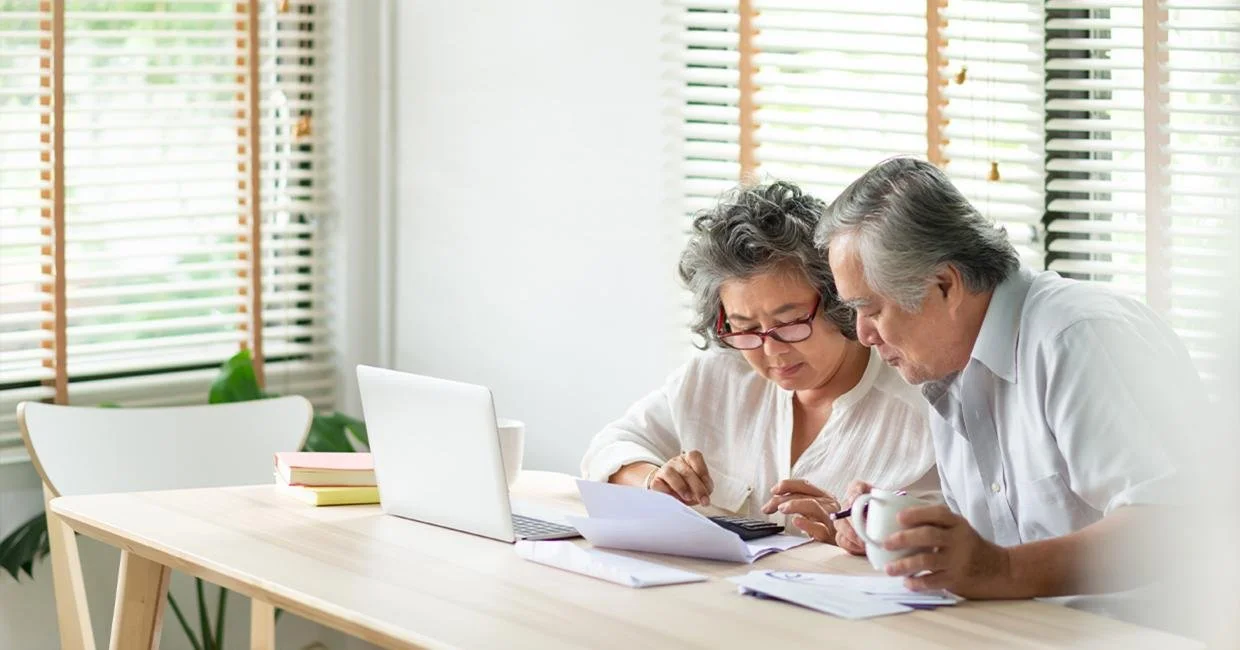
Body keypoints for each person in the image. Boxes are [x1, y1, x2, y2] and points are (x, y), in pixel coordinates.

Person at [817, 157, 1203, 600]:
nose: (863, 335)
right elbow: (1013, 532)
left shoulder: (1076, 336)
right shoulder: (948, 363)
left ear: (945, 285)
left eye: (872, 309)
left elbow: (1168, 526)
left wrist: (998, 569)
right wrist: (903, 528)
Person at [580, 181, 937, 544]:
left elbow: (949, 546)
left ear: (838, 301)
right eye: (746, 327)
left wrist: (856, 535)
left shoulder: (922, 411)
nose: (771, 351)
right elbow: (610, 445)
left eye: (790, 323)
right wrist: (652, 480)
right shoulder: (719, 376)